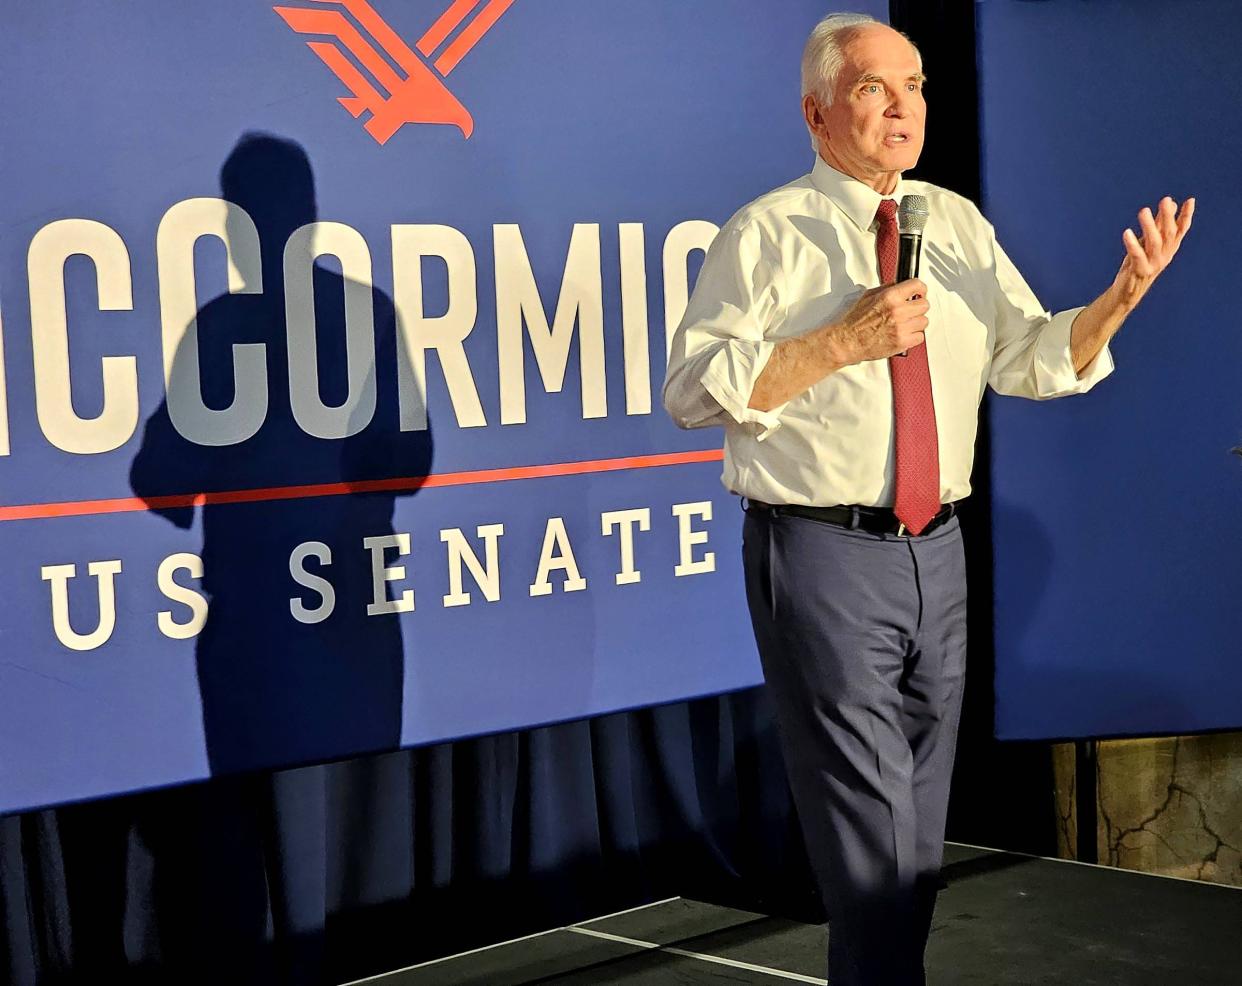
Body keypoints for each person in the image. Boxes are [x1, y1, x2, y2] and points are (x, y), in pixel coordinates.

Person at [662, 12, 1193, 985]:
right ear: (819, 113)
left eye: (915, 86)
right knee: (872, 847)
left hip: (936, 550)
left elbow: (1031, 356)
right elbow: (691, 390)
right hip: (821, 553)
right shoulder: (768, 232)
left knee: (909, 850)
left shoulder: (951, 222)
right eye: (876, 88)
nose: (905, 106)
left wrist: (1119, 296)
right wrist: (838, 342)